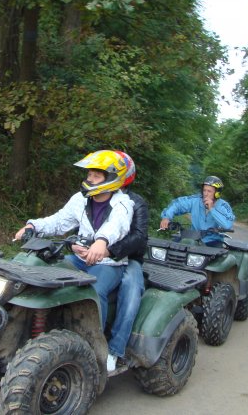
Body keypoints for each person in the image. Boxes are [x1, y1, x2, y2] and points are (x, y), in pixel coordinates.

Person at [14, 150, 134, 371]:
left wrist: (102, 242)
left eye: (96, 175)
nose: (90, 178)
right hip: (79, 259)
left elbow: (117, 225)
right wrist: (33, 226)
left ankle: (96, 350)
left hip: (108, 264)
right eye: (89, 174)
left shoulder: (123, 203)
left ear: (111, 178)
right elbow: (59, 221)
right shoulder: (80, 199)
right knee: (41, 274)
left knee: (94, 292)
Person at [97, 151, 147, 373]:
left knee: (131, 288)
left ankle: (114, 350)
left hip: (127, 259)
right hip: (94, 255)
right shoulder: (96, 195)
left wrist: (111, 250)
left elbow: (139, 237)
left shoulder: (136, 203)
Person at [159, 175, 235, 247]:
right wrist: (166, 217)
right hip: (193, 237)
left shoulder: (224, 206)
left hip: (213, 241)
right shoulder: (195, 200)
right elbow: (177, 204)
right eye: (204, 190)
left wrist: (212, 209)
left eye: (209, 191)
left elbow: (227, 225)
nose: (205, 194)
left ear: (217, 193)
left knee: (218, 255)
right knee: (171, 248)